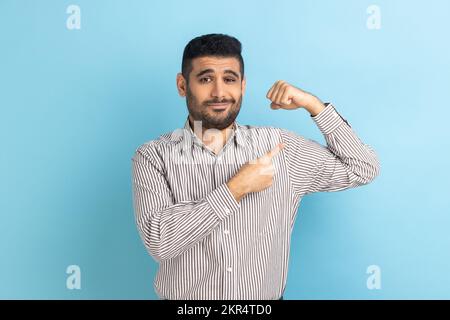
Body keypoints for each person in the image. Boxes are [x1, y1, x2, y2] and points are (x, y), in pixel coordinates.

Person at [131, 33, 380, 300]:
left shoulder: (280, 148)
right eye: (205, 79)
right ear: (183, 85)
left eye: (229, 79)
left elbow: (362, 168)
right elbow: (160, 241)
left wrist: (314, 105)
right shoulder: (153, 157)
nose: (219, 92)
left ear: (243, 86)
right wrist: (235, 188)